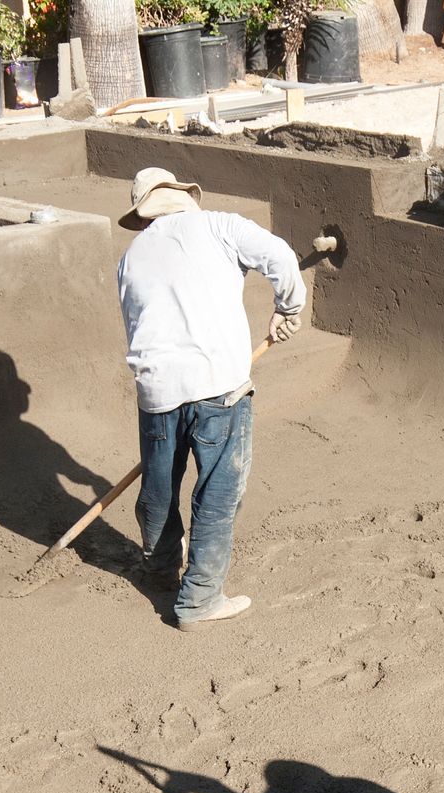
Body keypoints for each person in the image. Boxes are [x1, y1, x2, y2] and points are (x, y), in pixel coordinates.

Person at [117, 167, 307, 630]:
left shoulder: (131, 255)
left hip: (156, 389)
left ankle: (160, 568)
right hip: (218, 383)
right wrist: (289, 307)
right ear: (183, 199)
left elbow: (137, 323)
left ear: (143, 217)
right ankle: (200, 599)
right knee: (219, 491)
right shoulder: (220, 225)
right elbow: (280, 255)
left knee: (160, 489)